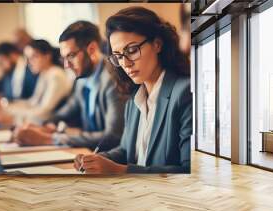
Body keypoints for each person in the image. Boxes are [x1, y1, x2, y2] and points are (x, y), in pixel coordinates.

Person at [74, 7, 192, 174]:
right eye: (118, 55)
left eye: (132, 50)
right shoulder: (134, 99)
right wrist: (95, 159)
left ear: (157, 44)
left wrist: (120, 170)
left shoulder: (185, 93)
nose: (126, 63)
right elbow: (125, 151)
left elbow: (189, 170)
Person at [15, 21, 127, 151]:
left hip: (109, 160)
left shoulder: (113, 79)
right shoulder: (82, 77)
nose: (66, 66)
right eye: (64, 58)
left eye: (71, 56)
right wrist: (46, 125)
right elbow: (68, 109)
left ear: (92, 49)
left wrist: (51, 139)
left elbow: (113, 137)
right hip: (88, 154)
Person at [8, 39, 73, 123]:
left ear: (47, 56)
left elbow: (45, 111)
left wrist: (14, 117)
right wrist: (9, 107)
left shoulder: (56, 75)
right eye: (27, 58)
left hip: (55, 125)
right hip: (44, 122)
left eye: (33, 57)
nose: (29, 62)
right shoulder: (44, 73)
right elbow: (33, 102)